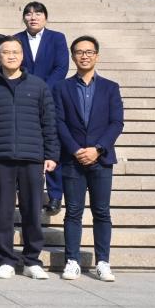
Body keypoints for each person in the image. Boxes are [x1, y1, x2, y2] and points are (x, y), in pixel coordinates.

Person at [0, 36, 59, 280]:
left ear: (23, 56)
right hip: (1, 157)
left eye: (16, 52)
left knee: (32, 211)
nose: (11, 56)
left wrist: (51, 154)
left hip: (32, 158)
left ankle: (32, 260)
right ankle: (5, 260)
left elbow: (49, 122)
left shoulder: (38, 85)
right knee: (3, 212)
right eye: (6, 52)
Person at [53, 36, 123, 283]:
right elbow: (58, 122)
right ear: (73, 57)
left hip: (101, 160)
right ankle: (72, 260)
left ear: (97, 56)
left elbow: (116, 122)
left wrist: (98, 149)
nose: (84, 56)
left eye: (89, 52)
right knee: (73, 211)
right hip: (72, 160)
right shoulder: (61, 88)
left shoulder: (110, 87)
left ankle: (103, 262)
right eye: (79, 52)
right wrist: (75, 149)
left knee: (101, 211)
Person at [16, 1, 70, 214]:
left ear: (45, 17)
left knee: (52, 145)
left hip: (51, 98)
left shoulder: (57, 38)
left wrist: (42, 89)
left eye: (38, 13)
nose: (33, 17)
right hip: (24, 100)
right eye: (28, 14)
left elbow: (61, 67)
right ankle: (29, 195)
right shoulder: (16, 39)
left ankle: (55, 195)